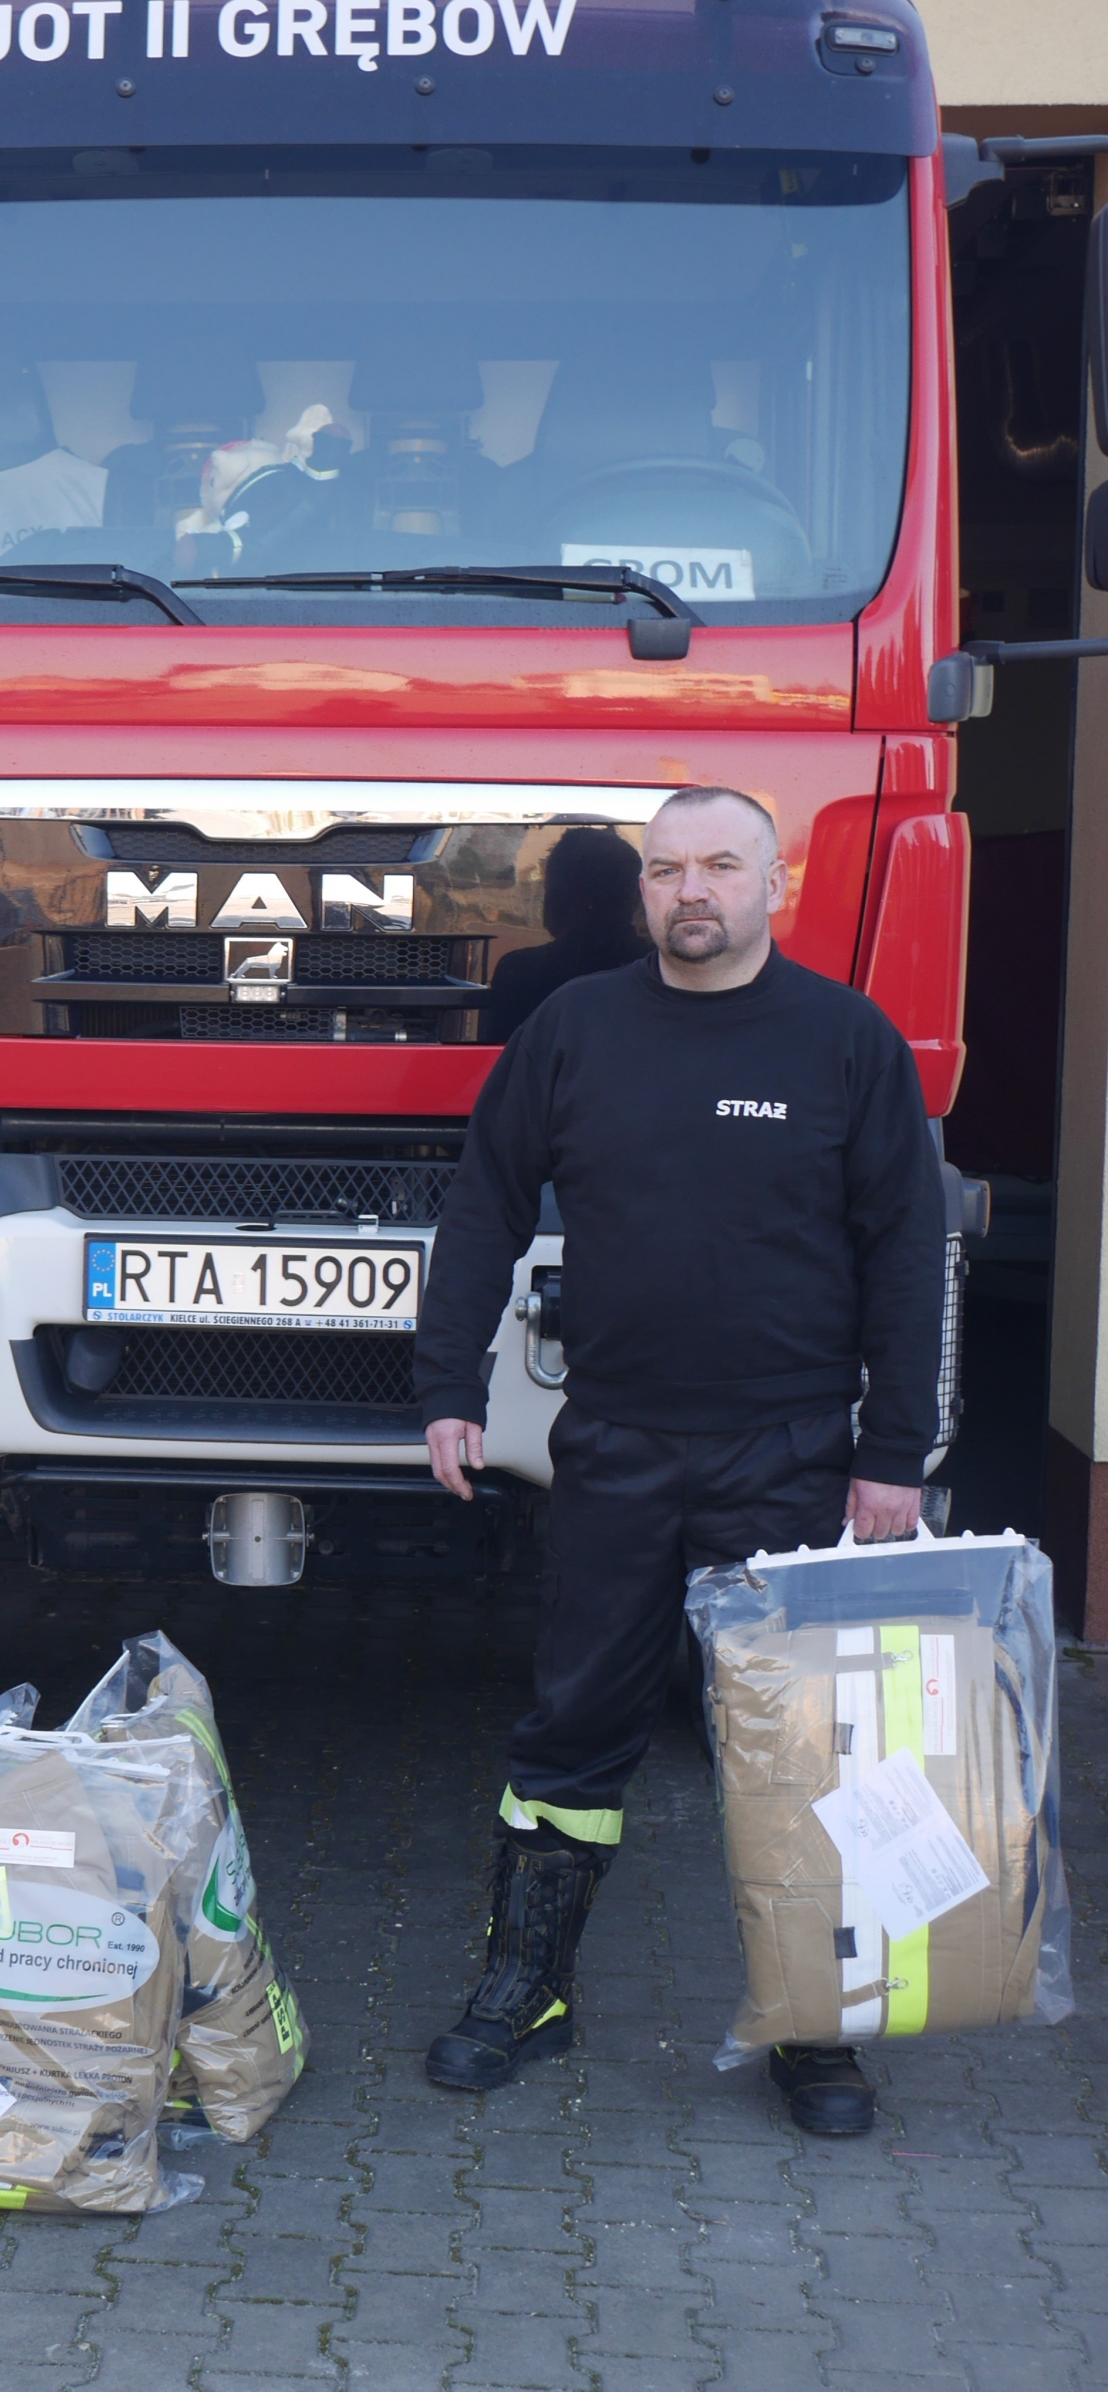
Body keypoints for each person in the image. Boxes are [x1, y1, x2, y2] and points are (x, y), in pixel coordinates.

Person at [412, 786, 944, 2137]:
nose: (688, 890)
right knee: (572, 1731)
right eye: (664, 869)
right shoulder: (575, 1030)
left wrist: (895, 1456)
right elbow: (481, 1203)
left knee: (803, 1756)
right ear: (640, 892)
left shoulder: (846, 1042)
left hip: (794, 1458)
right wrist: (446, 1387)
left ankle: (813, 2029)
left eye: (719, 865)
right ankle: (526, 1990)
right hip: (618, 1449)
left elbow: (906, 1261)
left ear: (776, 887)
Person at [480, 826, 646, 1043]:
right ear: (636, 898)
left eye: (549, 888)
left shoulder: (519, 971)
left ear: (557, 896)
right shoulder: (662, 968)